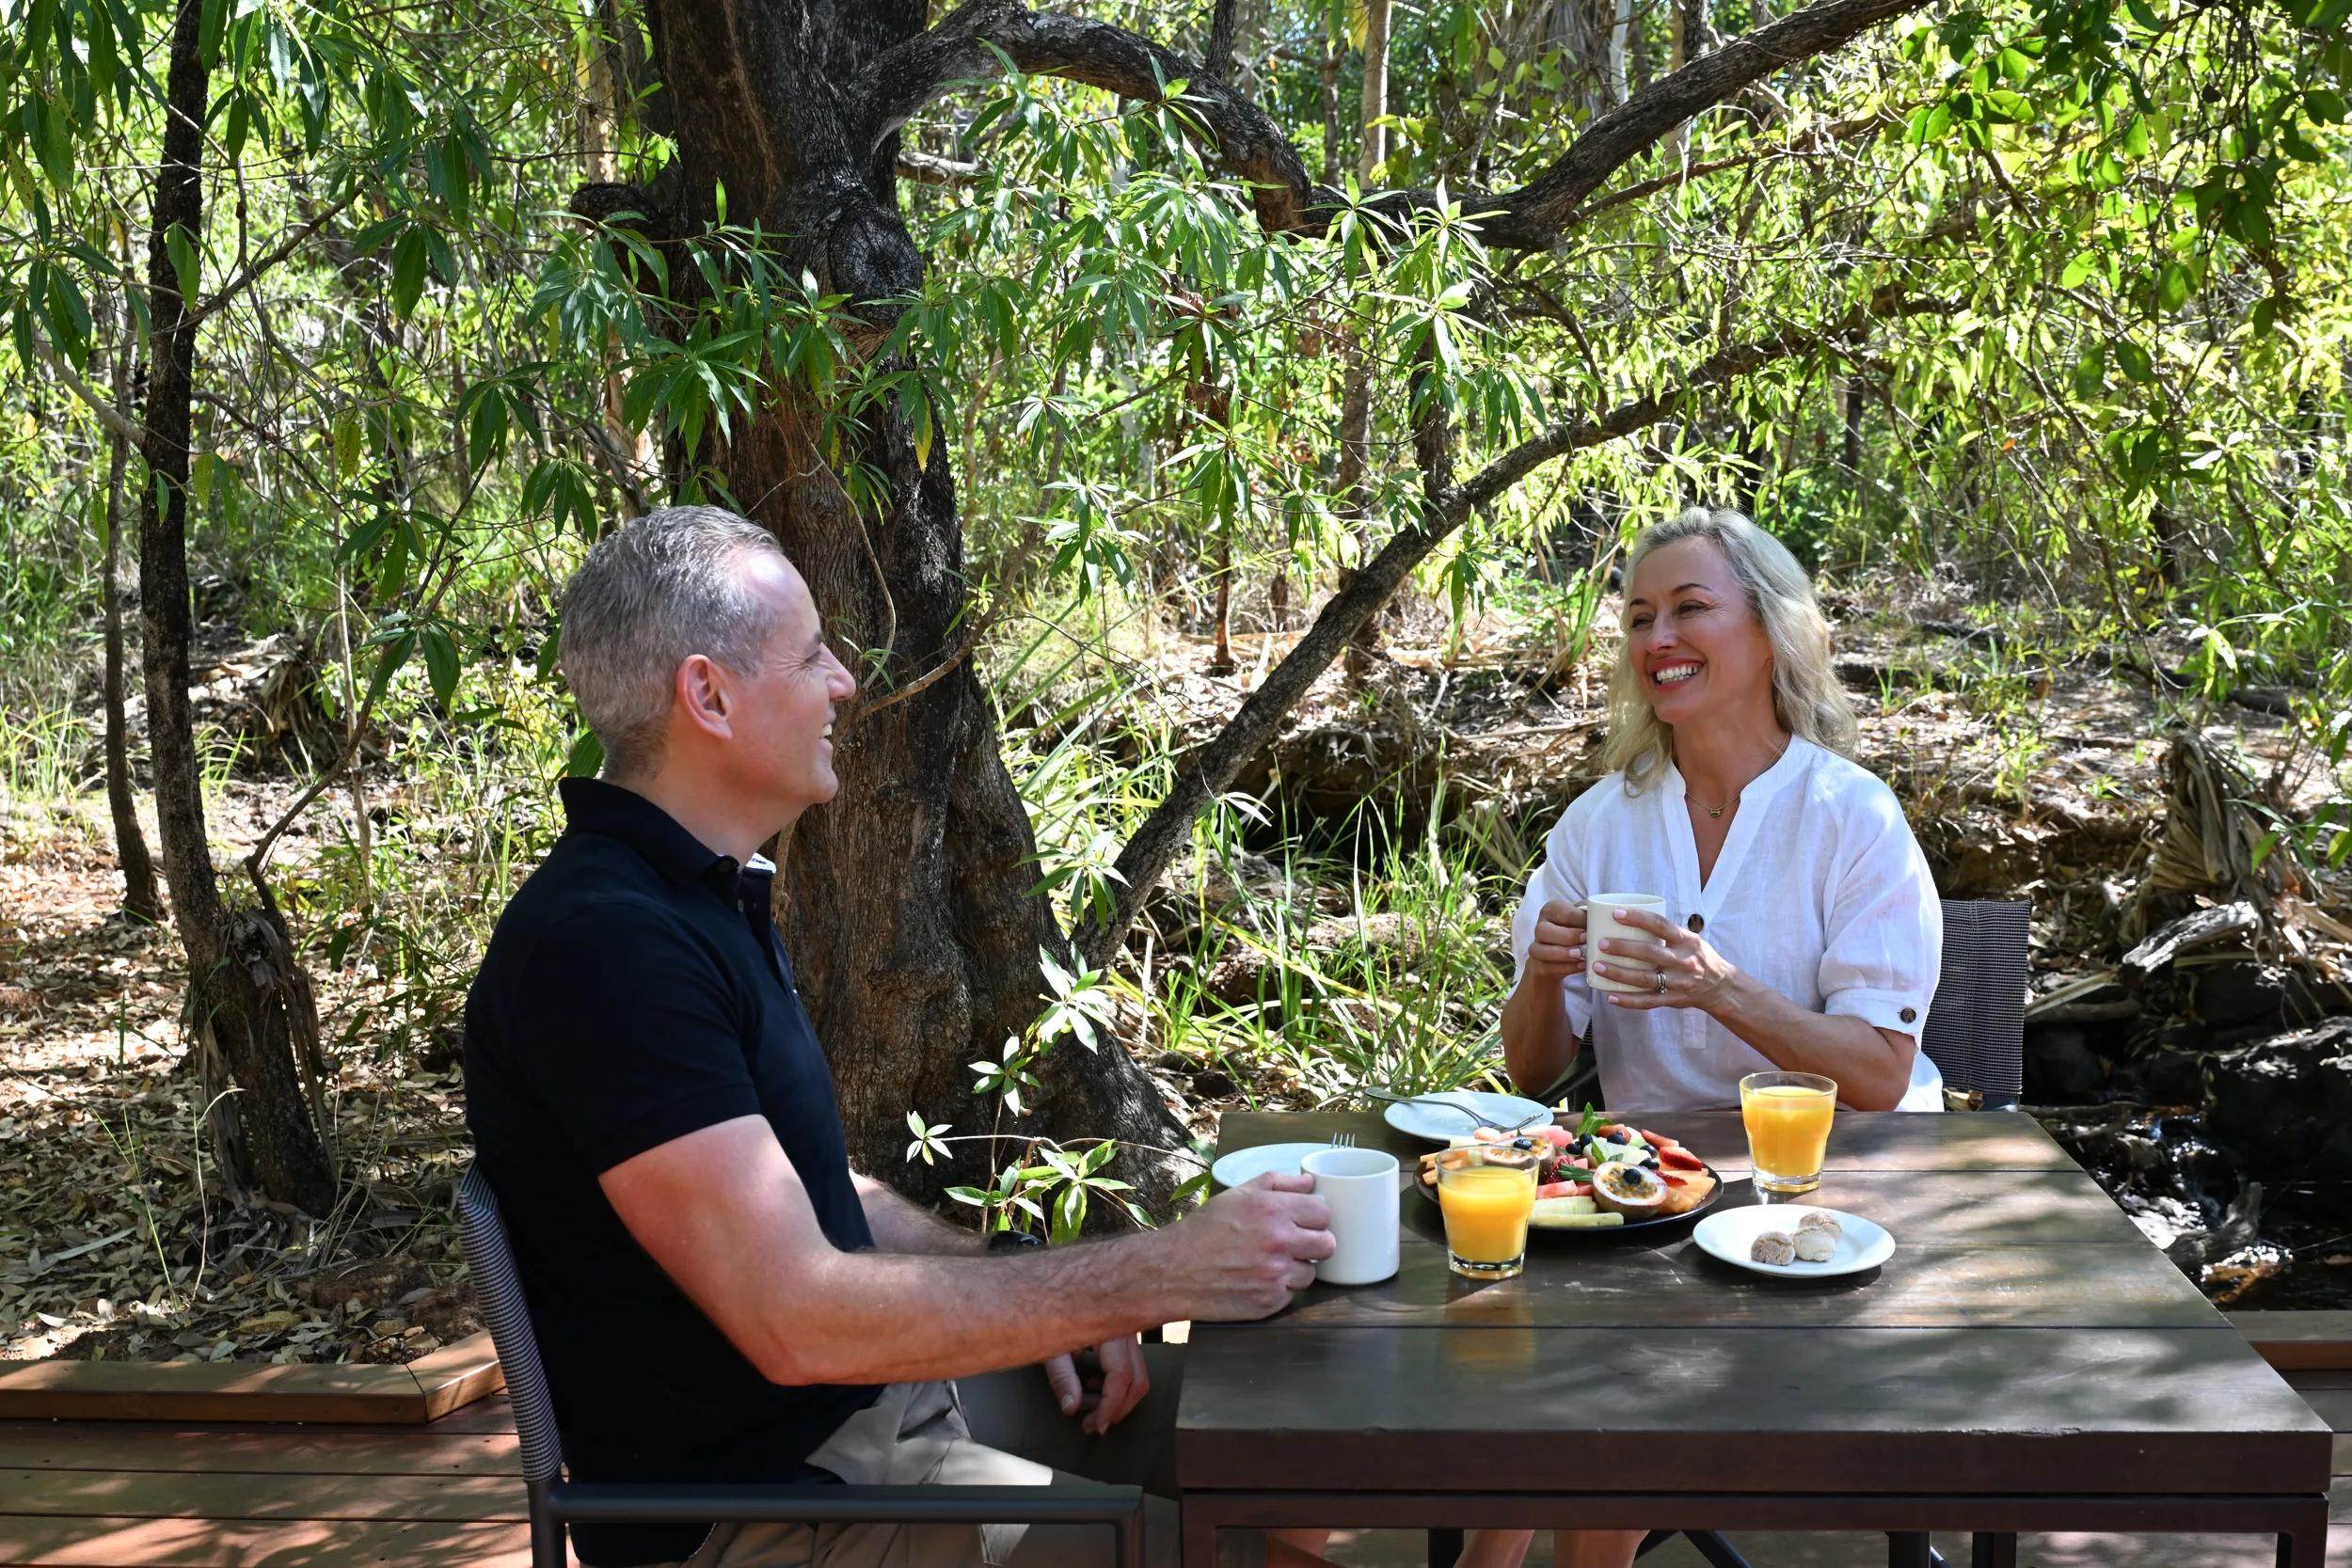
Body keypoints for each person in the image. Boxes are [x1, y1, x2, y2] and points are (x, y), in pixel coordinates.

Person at [465, 505, 1339, 1568]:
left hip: (873, 1423)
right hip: (780, 1506)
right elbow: (796, 1318)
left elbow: (820, 1191)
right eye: (813, 653)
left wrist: (1059, 1292)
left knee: (1291, 1444)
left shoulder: (695, 897)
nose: (843, 682)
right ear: (708, 693)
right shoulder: (605, 946)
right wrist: (1156, 1274)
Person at [1474, 505, 1946, 1568]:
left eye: (1690, 608)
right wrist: (1545, 977)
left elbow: (1877, 1073)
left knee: (1608, 1416)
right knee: (1544, 1368)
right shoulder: (1602, 820)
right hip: (1659, 1188)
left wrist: (1722, 988)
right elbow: (1532, 1069)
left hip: (1839, 1190)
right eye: (1639, 616)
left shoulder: (1850, 817)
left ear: (1771, 633)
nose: (1657, 638)